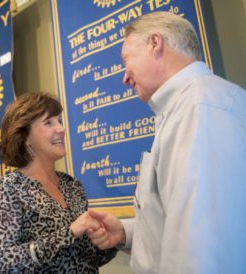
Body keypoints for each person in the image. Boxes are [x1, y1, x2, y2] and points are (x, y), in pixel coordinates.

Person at [87, 11, 246, 274]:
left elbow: (201, 251)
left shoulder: (200, 109)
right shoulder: (188, 107)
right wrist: (125, 233)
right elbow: (177, 220)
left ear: (155, 43)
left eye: (126, 60)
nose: (125, 78)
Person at [0, 92, 117, 273]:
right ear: (25, 137)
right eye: (49, 123)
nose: (61, 129)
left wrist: (110, 241)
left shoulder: (72, 185)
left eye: (59, 121)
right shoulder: (9, 188)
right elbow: (5, 263)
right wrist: (69, 233)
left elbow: (88, 258)